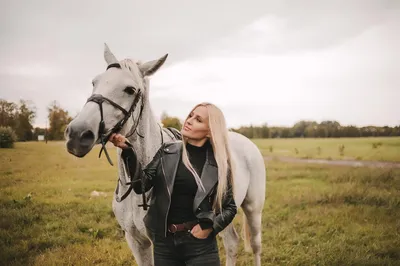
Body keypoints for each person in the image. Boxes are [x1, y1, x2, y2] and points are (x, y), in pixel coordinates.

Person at [109, 102, 237, 266]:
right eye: (190, 115)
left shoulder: (219, 164)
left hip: (200, 246)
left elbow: (230, 207)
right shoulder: (168, 151)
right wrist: (128, 152)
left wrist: (210, 227)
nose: (189, 120)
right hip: (165, 244)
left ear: (211, 132)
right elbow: (140, 185)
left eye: (198, 119)